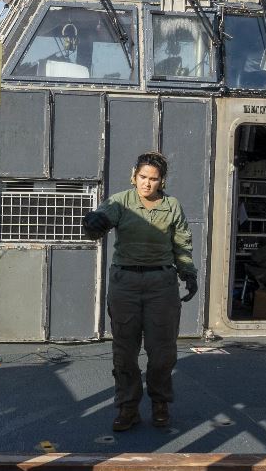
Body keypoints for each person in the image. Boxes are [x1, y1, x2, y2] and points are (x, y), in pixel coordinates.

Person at [82, 151, 198, 431]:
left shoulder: (172, 206)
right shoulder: (120, 202)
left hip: (161, 283)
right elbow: (98, 224)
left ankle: (160, 404)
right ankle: (128, 407)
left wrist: (189, 273)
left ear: (162, 181)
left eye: (153, 179)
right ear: (134, 176)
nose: (147, 184)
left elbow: (182, 244)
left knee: (162, 352)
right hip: (126, 284)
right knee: (125, 351)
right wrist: (92, 224)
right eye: (143, 177)